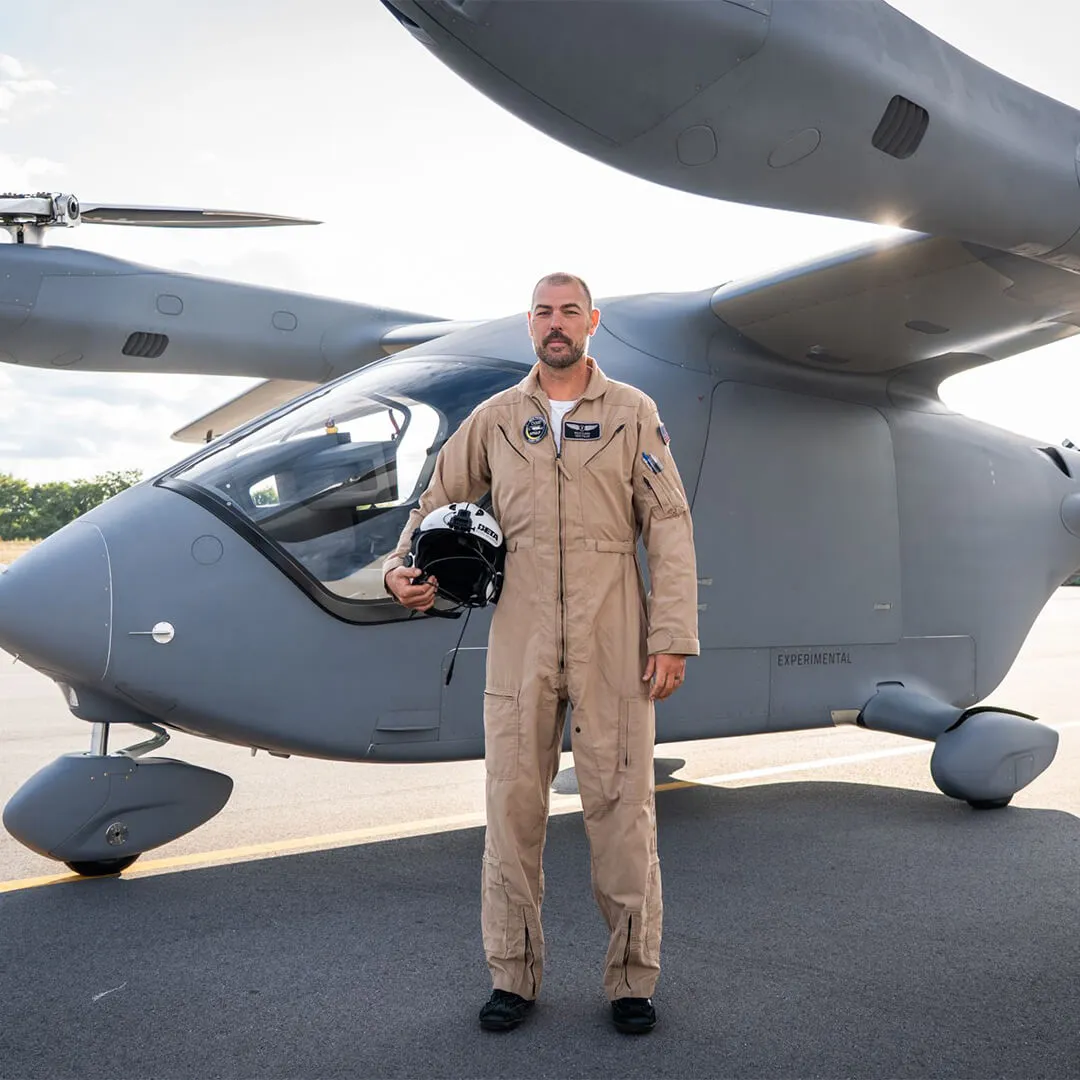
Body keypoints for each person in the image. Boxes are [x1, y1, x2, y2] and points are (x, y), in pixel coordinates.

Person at [383, 273, 699, 1034]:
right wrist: (402, 566)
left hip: (612, 624)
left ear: (592, 322)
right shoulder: (496, 418)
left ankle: (631, 980)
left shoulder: (632, 412)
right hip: (520, 626)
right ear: (529, 325)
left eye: (569, 312)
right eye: (543, 312)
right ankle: (513, 977)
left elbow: (669, 523)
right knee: (511, 809)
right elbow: (434, 501)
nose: (555, 325)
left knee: (623, 809)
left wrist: (671, 637)